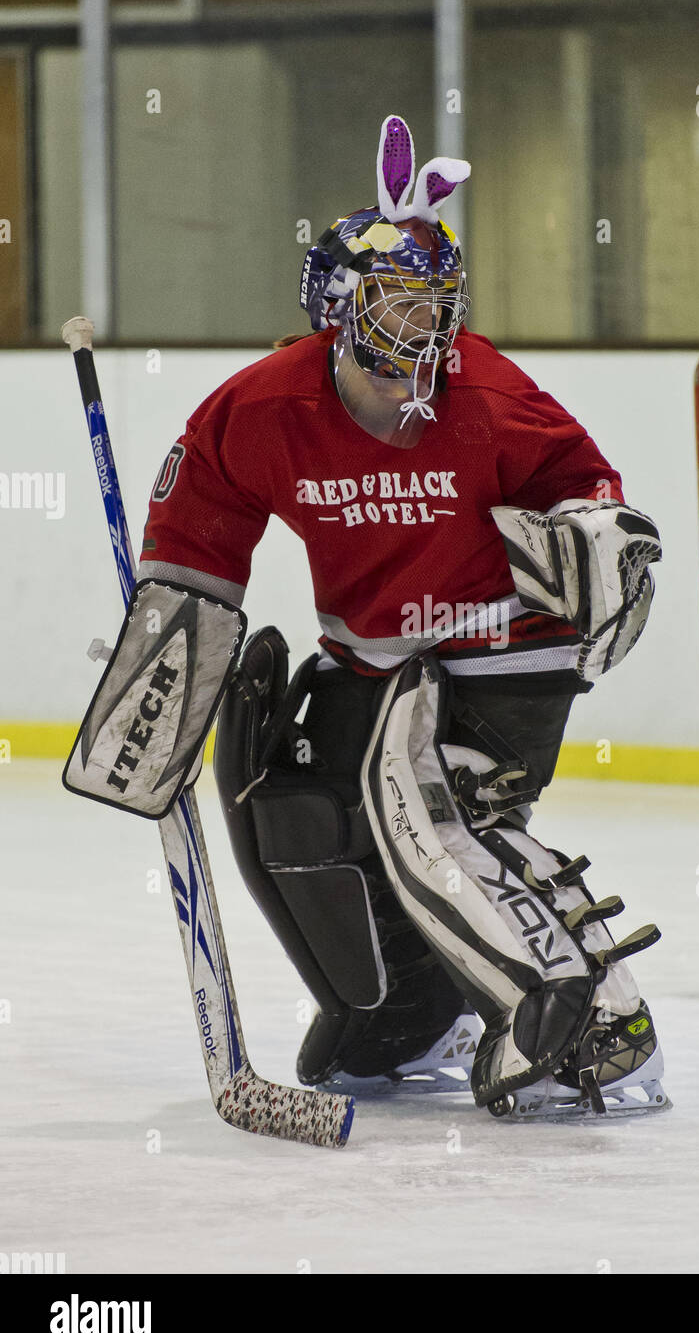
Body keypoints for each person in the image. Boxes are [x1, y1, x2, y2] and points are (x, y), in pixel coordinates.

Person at [76, 115, 668, 1121]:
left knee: (425, 806)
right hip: (372, 657)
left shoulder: (490, 395)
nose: (425, 328)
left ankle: (592, 1020)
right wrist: (166, 665)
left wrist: (598, 536)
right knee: (291, 803)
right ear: (336, 307)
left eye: (436, 303)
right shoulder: (261, 411)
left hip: (502, 646)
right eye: (397, 303)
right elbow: (198, 540)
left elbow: (582, 486)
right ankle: (407, 1015)